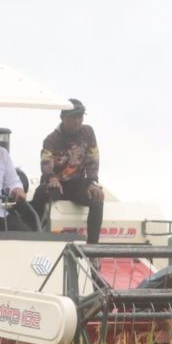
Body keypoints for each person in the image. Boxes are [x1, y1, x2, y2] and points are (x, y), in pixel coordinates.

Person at [31, 98, 105, 244]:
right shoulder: (51, 139)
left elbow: (93, 158)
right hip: (56, 183)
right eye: (73, 117)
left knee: (97, 197)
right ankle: (33, 235)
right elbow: (46, 162)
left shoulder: (87, 132)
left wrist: (92, 182)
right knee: (41, 193)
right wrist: (51, 178)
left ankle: (93, 247)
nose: (77, 121)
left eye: (80, 117)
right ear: (62, 118)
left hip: (77, 183)